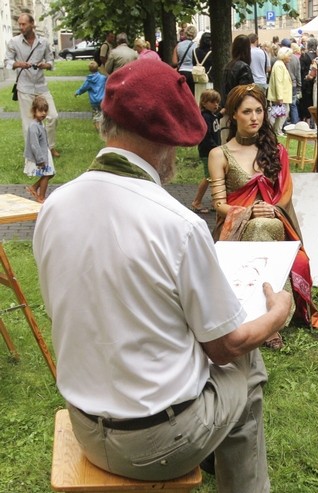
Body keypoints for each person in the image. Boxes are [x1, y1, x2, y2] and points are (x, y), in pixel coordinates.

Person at [33, 59, 292, 493]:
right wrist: (277, 314)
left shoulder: (55, 207)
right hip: (158, 442)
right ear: (165, 139)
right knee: (249, 364)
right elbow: (226, 346)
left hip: (87, 425)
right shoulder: (177, 223)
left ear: (107, 126)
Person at [208, 84, 318, 345]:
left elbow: (284, 196)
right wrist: (248, 212)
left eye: (259, 110)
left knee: (265, 225)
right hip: (233, 229)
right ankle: (267, 321)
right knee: (259, 225)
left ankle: (265, 319)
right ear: (233, 115)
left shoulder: (276, 151)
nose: (254, 117)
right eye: (247, 111)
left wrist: (271, 209)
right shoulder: (219, 154)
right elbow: (219, 205)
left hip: (275, 222)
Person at [5, 13, 60, 157]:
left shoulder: (43, 42)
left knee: (52, 116)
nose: (21, 27)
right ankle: (33, 153)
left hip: (41, 86)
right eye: (19, 24)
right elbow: (7, 61)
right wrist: (18, 64)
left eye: (24, 24)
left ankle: (50, 147)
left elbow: (51, 60)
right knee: (29, 122)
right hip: (24, 87)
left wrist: (45, 65)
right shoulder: (14, 42)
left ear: (32, 24)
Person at [191, 89, 221, 214]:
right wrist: (216, 148)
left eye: (217, 103)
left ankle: (215, 202)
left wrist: (222, 113)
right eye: (212, 102)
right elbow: (206, 137)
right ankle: (196, 202)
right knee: (209, 177)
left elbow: (217, 118)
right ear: (204, 103)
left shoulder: (212, 115)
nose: (216, 105)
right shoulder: (204, 117)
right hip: (208, 152)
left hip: (213, 151)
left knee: (214, 177)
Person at [23, 95, 55, 203]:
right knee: (47, 174)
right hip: (40, 156)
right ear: (34, 111)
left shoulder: (39, 123)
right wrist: (40, 159)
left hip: (44, 153)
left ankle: (34, 187)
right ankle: (41, 197)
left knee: (50, 173)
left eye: (45, 111)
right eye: (40, 111)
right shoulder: (33, 126)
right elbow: (34, 145)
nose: (44, 113)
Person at [267, 47, 292, 136]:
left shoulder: (280, 64)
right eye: (289, 56)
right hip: (281, 96)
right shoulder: (279, 65)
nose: (290, 57)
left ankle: (277, 130)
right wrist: (280, 97)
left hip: (282, 95)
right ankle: (277, 130)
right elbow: (278, 82)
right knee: (281, 113)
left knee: (281, 113)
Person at [74, 61, 106, 127]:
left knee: (96, 114)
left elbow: (83, 88)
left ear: (89, 69)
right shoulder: (103, 78)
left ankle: (97, 125)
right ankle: (103, 125)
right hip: (102, 99)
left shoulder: (89, 80)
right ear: (98, 68)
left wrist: (78, 92)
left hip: (94, 101)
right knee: (103, 113)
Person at [222, 34, 254, 101]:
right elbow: (246, 91)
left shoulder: (228, 66)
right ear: (248, 49)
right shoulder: (244, 67)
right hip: (239, 105)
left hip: (228, 104)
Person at [173, 25, 197, 94]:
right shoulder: (196, 46)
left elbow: (174, 62)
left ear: (185, 33)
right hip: (193, 73)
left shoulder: (178, 45)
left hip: (181, 72)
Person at [299, 37, 318, 123]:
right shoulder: (317, 56)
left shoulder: (304, 56)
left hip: (306, 83)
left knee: (306, 104)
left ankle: (307, 120)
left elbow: (302, 71)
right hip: (314, 83)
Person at [193, 33, 213, 104]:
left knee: (198, 99)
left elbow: (193, 63)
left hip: (197, 79)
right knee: (208, 100)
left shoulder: (195, 51)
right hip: (207, 78)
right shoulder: (211, 53)